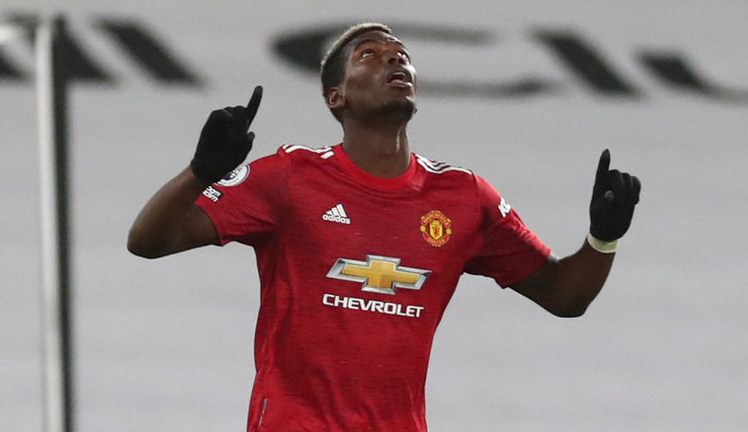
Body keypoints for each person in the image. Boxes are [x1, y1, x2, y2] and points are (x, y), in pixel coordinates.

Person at [127, 22, 640, 432]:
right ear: (337, 98)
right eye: (370, 55)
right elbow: (148, 241)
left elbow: (564, 295)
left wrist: (603, 237)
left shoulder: (463, 196)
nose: (396, 58)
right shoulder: (289, 175)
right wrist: (200, 172)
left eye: (401, 53)